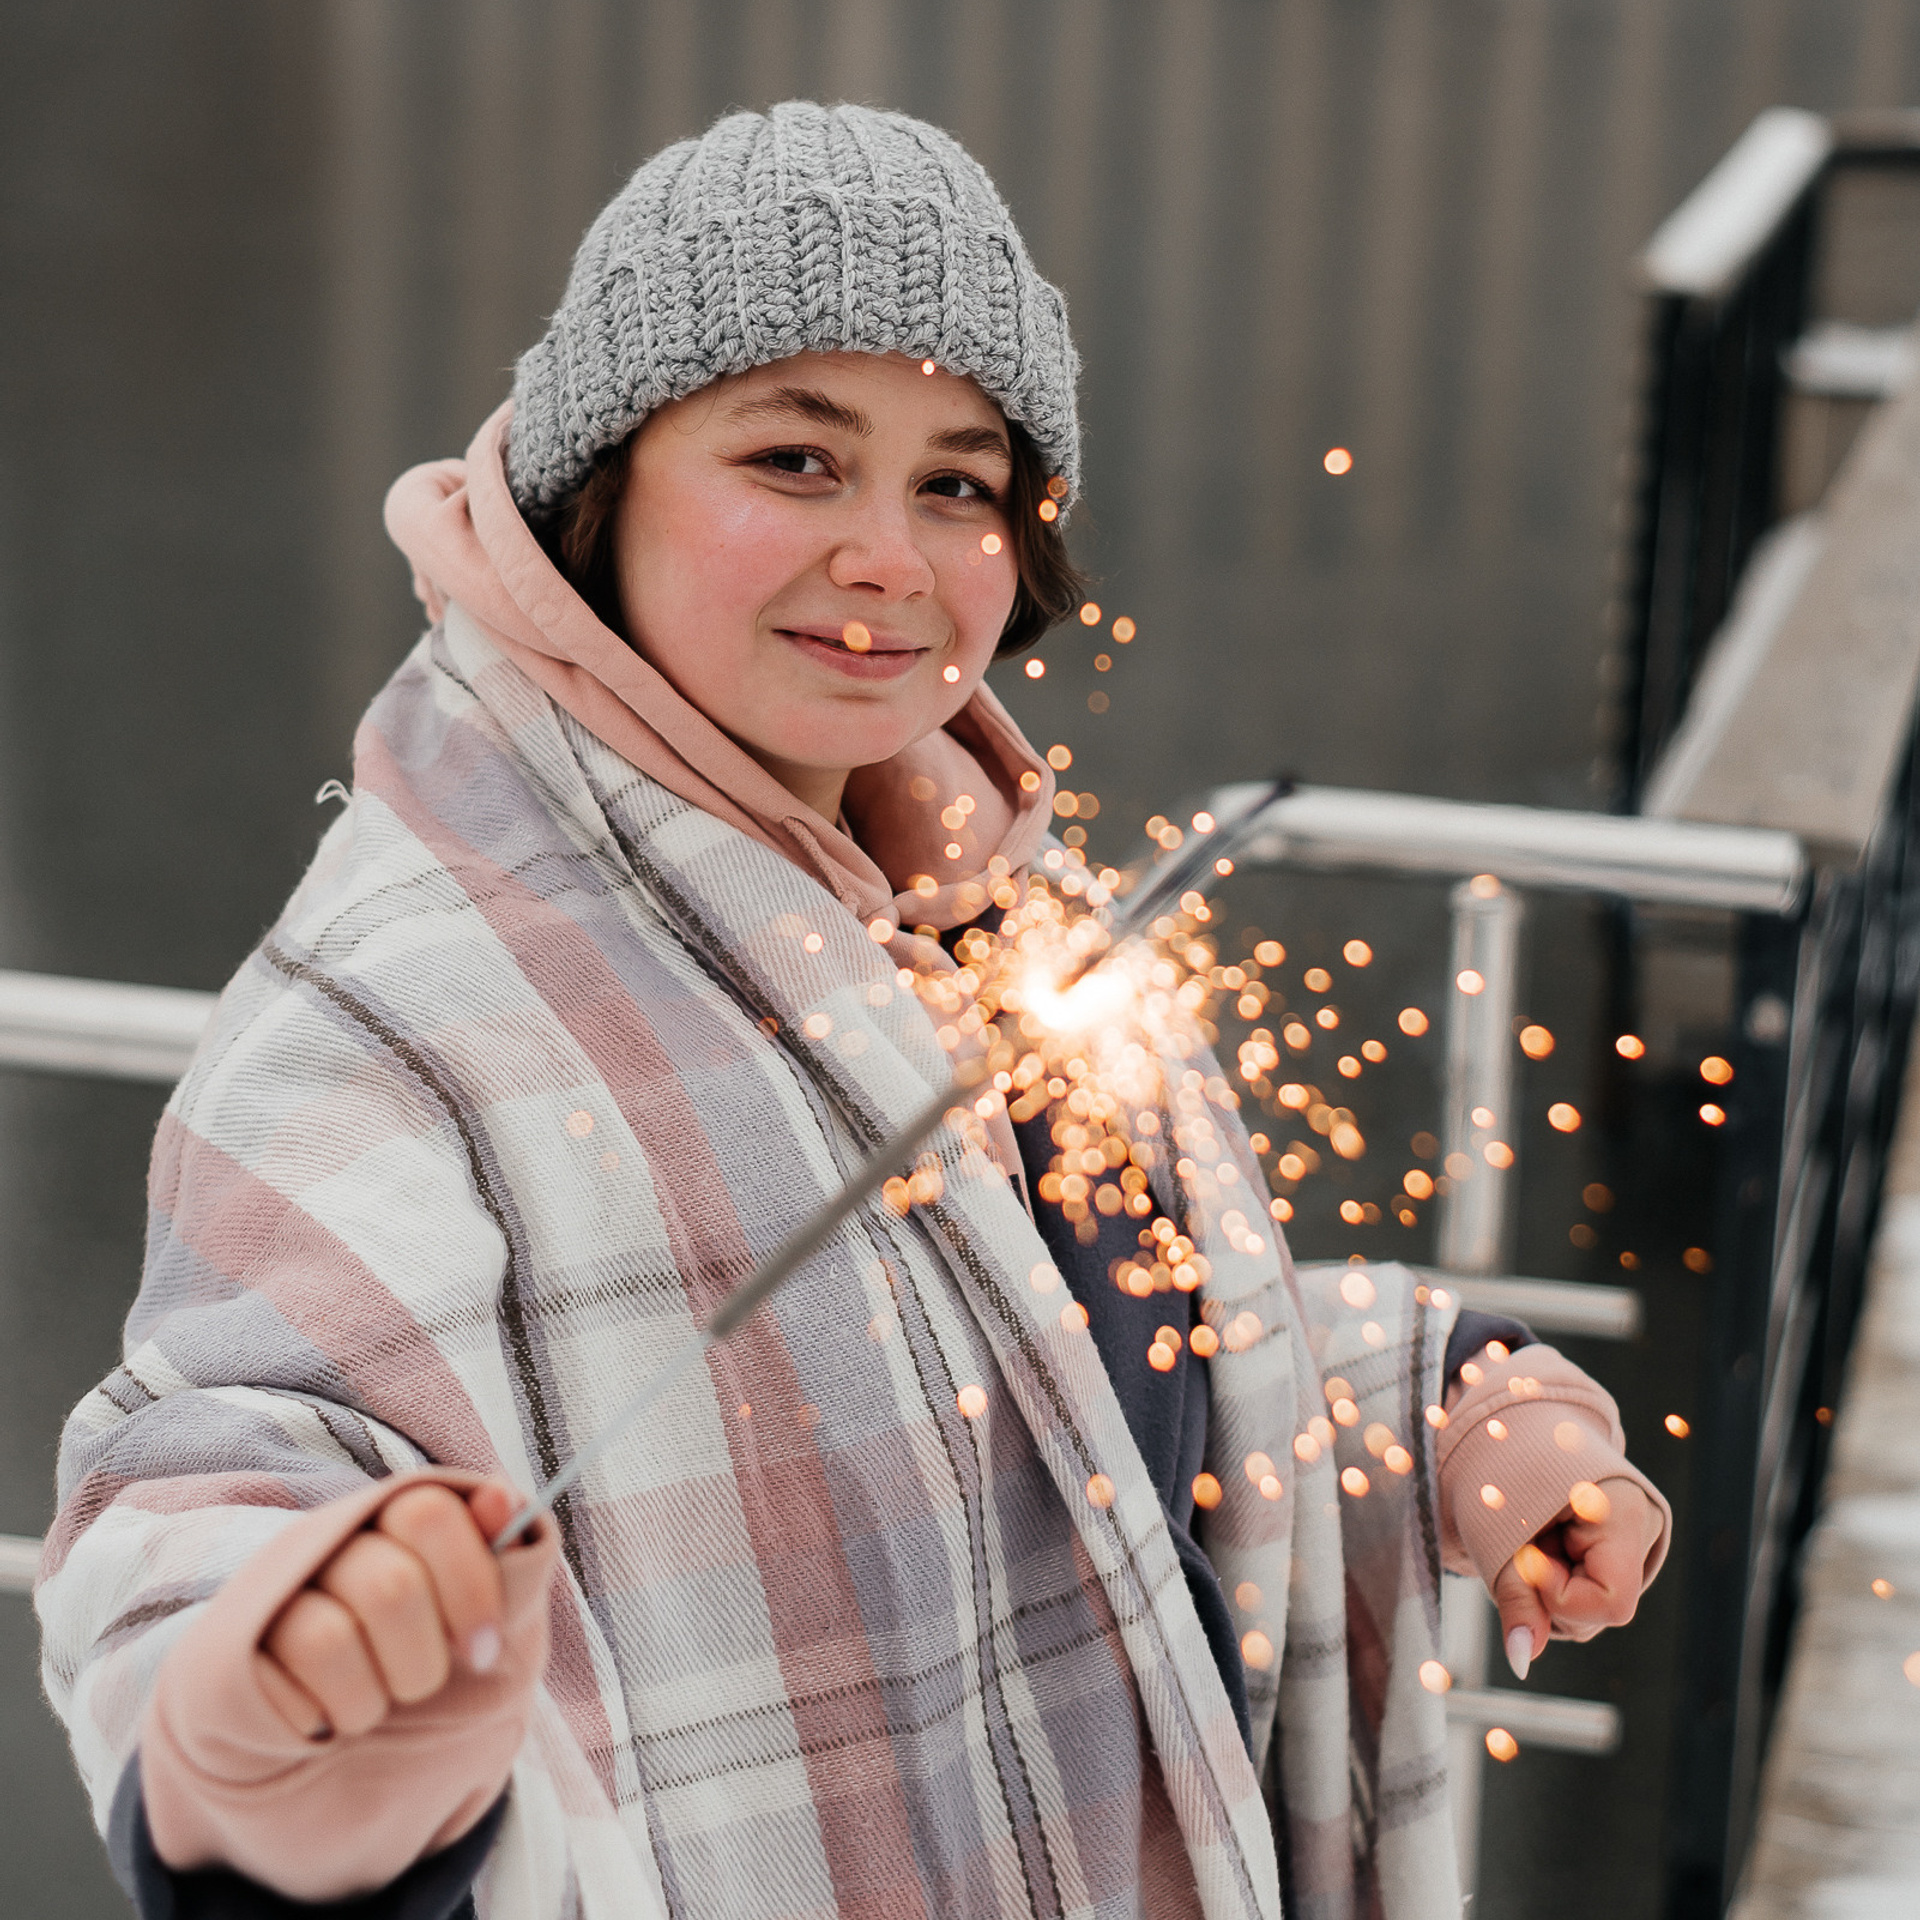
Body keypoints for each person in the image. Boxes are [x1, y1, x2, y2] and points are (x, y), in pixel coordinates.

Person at [36, 102, 1669, 1920]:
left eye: (957, 482)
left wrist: (1420, 1408)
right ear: (603, 485)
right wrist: (280, 1716)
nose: (893, 555)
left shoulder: (982, 903)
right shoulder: (411, 999)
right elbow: (214, 1464)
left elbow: (1068, 1386)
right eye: (798, 458)